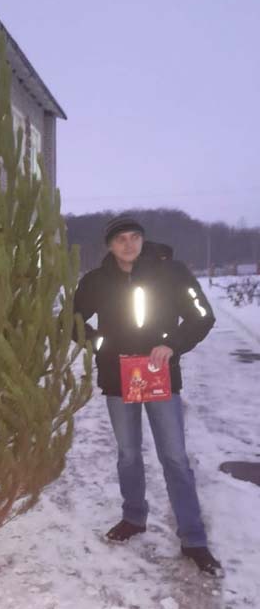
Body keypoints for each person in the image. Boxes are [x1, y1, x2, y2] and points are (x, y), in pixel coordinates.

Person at [73, 214, 221, 575]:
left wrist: (173, 345)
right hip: (117, 378)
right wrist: (101, 345)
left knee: (174, 458)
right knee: (127, 454)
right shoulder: (95, 281)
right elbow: (71, 321)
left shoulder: (172, 273)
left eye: (134, 237)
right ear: (109, 245)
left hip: (160, 378)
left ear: (142, 240)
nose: (128, 244)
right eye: (120, 239)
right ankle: (133, 517)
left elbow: (202, 316)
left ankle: (193, 538)